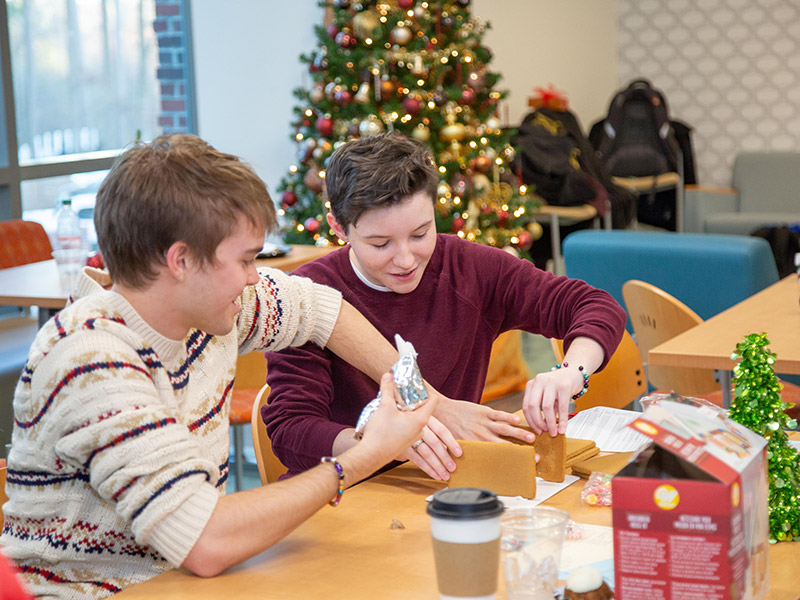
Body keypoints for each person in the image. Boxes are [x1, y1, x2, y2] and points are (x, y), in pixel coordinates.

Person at [0, 134, 439, 599]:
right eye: (246, 259)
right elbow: (206, 541)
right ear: (182, 261)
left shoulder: (208, 312)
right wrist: (365, 455)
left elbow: (318, 308)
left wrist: (427, 400)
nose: (255, 275)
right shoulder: (92, 362)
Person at [263, 133, 627, 480]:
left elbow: (593, 305)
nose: (405, 259)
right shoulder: (307, 297)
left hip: (446, 485)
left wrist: (571, 373)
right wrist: (386, 445)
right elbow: (291, 433)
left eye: (421, 234)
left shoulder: (469, 268)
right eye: (380, 244)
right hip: (345, 490)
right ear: (339, 228)